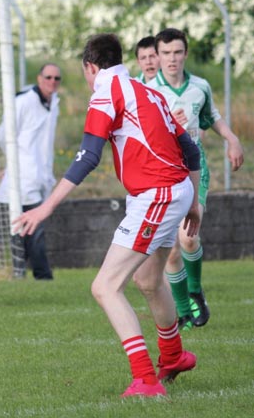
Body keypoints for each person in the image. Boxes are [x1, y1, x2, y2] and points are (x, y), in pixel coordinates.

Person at [14, 33, 201, 397]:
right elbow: (190, 148)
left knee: (104, 286)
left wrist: (46, 207)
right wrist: (193, 200)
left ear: (90, 67)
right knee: (148, 280)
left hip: (157, 196)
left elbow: (87, 156)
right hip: (174, 192)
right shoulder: (145, 90)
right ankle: (174, 355)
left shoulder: (105, 89)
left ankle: (145, 380)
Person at [148, 28, 244, 330]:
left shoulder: (199, 86)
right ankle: (182, 308)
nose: (172, 59)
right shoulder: (150, 91)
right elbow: (145, 136)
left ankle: (195, 291)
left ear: (185, 54)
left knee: (189, 237)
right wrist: (167, 127)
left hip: (193, 168)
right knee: (172, 248)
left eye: (177, 52)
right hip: (165, 170)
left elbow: (212, 116)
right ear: (158, 56)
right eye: (166, 53)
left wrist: (232, 139)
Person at [0, 63, 61, 280]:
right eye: (48, 77)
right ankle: (42, 276)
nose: (52, 82)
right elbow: (2, 135)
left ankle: (22, 276)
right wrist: (12, 164)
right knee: (32, 231)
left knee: (29, 232)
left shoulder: (54, 104)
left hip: (41, 179)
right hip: (22, 179)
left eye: (56, 79)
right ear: (39, 78)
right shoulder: (23, 101)